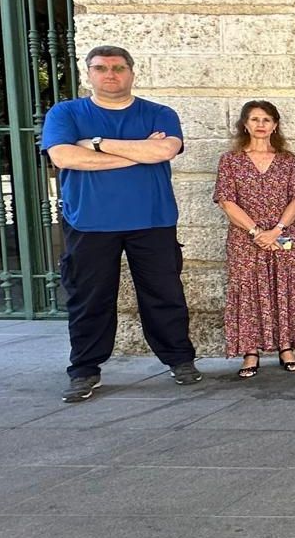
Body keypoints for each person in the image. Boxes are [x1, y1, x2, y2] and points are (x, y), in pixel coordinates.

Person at [42, 45, 200, 403]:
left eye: (118, 68)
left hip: (153, 220)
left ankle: (179, 359)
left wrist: (96, 145)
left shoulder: (159, 113)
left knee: (164, 294)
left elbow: (164, 151)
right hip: (89, 223)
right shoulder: (66, 113)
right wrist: (139, 153)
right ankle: (85, 369)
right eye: (100, 68)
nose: (110, 74)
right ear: (88, 74)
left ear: (131, 72)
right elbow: (64, 157)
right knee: (89, 299)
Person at [216, 100, 295, 378]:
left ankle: (286, 348)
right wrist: (256, 232)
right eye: (255, 119)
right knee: (248, 292)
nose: (260, 124)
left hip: (283, 236)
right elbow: (226, 201)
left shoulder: (287, 160)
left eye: (266, 120)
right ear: (245, 124)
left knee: (284, 289)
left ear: (275, 125)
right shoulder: (230, 160)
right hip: (245, 238)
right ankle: (250, 352)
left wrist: (276, 230)